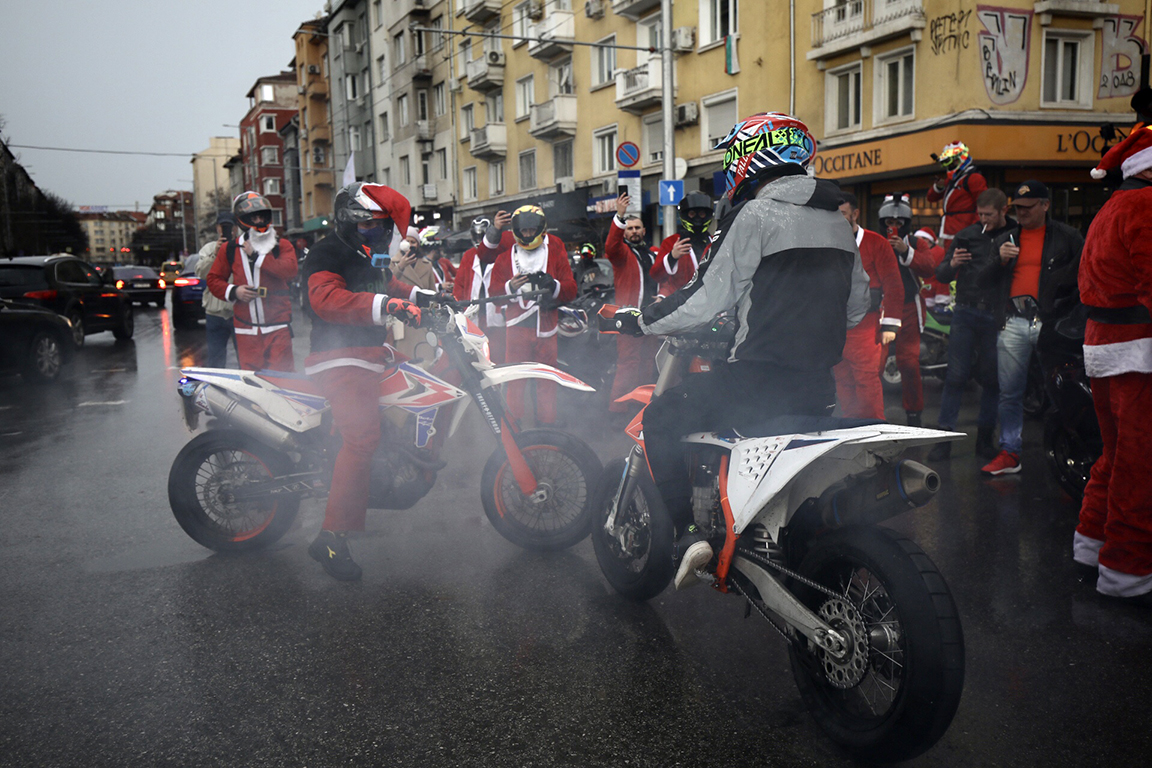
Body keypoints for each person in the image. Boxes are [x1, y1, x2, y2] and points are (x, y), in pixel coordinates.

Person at [611, 112, 870, 590]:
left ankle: (688, 536)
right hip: (818, 386)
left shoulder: (756, 214)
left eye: (735, 156)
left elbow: (706, 295)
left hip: (758, 383)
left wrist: (642, 319)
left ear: (754, 156)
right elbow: (856, 307)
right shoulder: (836, 222)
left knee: (660, 419)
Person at [300, 182, 427, 581]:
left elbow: (385, 286)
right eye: (372, 227)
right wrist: (387, 305)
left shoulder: (364, 254)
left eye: (382, 228)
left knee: (421, 382)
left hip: (371, 355)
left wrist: (426, 297)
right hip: (339, 359)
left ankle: (411, 464)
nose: (378, 234)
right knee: (361, 439)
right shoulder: (326, 252)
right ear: (350, 222)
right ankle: (331, 536)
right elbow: (325, 299)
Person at [1073, 126, 1152, 606]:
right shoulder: (1145, 208)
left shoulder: (1112, 207)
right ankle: (1127, 572)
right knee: (1139, 465)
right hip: (1138, 351)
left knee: (1115, 456)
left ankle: (1091, 548)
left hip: (1104, 347)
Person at [978, 181, 1083, 475]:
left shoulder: (1067, 237)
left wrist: (1070, 315)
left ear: (1045, 205)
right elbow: (981, 281)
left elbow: (1084, 275)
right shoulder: (1006, 237)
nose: (1021, 213)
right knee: (1010, 392)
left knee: (1060, 390)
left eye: (1028, 207)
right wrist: (999, 261)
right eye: (1018, 208)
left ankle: (1071, 453)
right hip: (1013, 321)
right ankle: (1011, 452)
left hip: (1051, 323)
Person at [927, 188, 1015, 462]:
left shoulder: (1014, 234)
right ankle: (944, 438)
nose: (984, 219)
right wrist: (952, 263)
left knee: (992, 380)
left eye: (989, 214)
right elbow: (940, 272)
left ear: (1003, 211)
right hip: (965, 311)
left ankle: (984, 440)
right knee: (955, 377)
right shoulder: (967, 235)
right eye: (981, 214)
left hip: (995, 313)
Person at [482, 206, 578, 425]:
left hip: (547, 328)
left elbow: (571, 289)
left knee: (547, 383)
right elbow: (493, 294)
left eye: (531, 230)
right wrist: (510, 287)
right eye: (523, 231)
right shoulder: (505, 257)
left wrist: (553, 286)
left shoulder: (555, 247)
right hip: (517, 330)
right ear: (516, 231)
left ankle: (547, 428)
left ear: (541, 229)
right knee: (515, 383)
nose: (527, 235)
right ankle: (514, 430)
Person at [206, 191, 298, 372]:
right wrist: (235, 291)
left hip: (278, 326)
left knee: (284, 380)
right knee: (253, 382)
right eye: (252, 217)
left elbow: (290, 272)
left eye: (261, 216)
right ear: (242, 219)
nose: (258, 222)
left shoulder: (281, 245)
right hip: (245, 329)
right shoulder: (229, 249)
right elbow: (213, 280)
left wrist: (258, 257)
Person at [832, 192, 904, 420]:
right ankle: (851, 429)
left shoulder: (876, 243)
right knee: (842, 381)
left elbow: (894, 285)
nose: (837, 219)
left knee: (866, 380)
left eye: (842, 214)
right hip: (836, 326)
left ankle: (873, 431)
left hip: (866, 325)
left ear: (855, 214)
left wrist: (890, 326)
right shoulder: (827, 244)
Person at [879, 194, 938, 426]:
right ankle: (872, 415)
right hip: (882, 307)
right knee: (875, 364)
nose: (894, 227)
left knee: (909, 363)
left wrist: (905, 250)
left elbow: (929, 267)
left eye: (899, 222)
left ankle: (914, 413)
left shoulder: (915, 243)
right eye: (889, 222)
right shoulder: (876, 241)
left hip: (909, 308)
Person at [604, 192, 661, 421]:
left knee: (648, 363)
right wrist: (620, 215)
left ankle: (641, 407)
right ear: (625, 233)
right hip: (628, 319)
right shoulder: (621, 254)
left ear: (644, 231)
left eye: (637, 228)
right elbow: (611, 246)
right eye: (630, 228)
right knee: (628, 364)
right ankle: (617, 411)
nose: (634, 231)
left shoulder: (652, 253)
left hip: (651, 317)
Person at [453, 217, 504, 364]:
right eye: (476, 236)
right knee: (474, 356)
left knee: (497, 354)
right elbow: (459, 285)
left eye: (482, 236)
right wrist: (460, 308)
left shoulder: (500, 254)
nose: (479, 239)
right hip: (473, 315)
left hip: (495, 315)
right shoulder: (468, 256)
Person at [195, 211, 237, 368]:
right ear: (217, 228)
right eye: (222, 227)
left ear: (236, 228)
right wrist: (216, 254)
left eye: (229, 227)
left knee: (244, 357)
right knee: (216, 360)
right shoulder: (209, 249)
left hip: (237, 311)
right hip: (214, 313)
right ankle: (216, 391)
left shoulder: (242, 246)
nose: (226, 230)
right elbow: (202, 273)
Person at [651, 192, 712, 297]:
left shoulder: (715, 241)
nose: (697, 218)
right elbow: (656, 275)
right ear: (685, 215)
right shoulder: (671, 242)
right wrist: (672, 257)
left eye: (701, 214)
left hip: (712, 303)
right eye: (692, 213)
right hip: (681, 305)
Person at [927, 140, 988, 244]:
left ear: (960, 159)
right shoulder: (952, 181)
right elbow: (931, 198)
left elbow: (983, 205)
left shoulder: (974, 178)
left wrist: (975, 230)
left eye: (950, 162)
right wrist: (939, 186)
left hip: (965, 232)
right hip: (949, 231)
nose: (948, 166)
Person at [913, 228, 951, 312]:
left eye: (917, 239)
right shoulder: (924, 253)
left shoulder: (937, 254)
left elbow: (941, 276)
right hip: (927, 296)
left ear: (927, 240)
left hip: (933, 298)